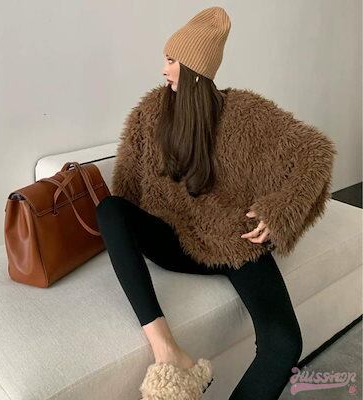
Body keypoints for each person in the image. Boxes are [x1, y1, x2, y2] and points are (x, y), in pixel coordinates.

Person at [95, 6, 336, 400]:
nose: (164, 70)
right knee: (109, 210)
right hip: (172, 240)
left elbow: (315, 152)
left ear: (193, 67)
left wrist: (280, 211)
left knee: (283, 342)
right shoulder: (150, 113)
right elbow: (126, 192)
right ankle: (167, 351)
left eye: (171, 60)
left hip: (234, 241)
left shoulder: (245, 112)